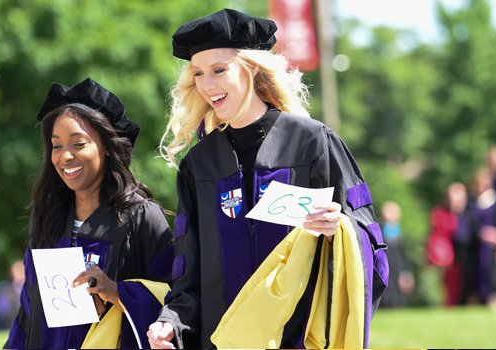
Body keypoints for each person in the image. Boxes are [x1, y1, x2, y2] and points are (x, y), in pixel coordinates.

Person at [148, 9, 388, 349]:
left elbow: (370, 242)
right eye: (198, 74)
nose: (208, 85)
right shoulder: (200, 166)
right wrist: (170, 321)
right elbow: (190, 273)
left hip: (302, 339)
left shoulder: (311, 144)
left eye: (219, 70)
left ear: (252, 68)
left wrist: (341, 229)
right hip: (226, 340)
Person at [5, 78, 175, 349]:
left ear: (106, 146)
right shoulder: (47, 214)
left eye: (78, 143)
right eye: (57, 145)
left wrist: (118, 293)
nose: (65, 156)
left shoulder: (140, 217)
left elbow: (176, 298)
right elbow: (29, 308)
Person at [455, 168, 496, 309]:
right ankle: (475, 299)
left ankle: (494, 297)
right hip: (475, 247)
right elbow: (467, 226)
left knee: (493, 273)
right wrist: (481, 233)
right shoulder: (471, 204)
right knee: (474, 275)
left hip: (494, 247)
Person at [427, 182, 468, 306]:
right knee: (448, 288)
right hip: (448, 258)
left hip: (466, 256)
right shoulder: (440, 214)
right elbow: (436, 237)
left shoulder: (469, 214)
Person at [378, 201, 414, 308]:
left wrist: (406, 273)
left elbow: (405, 257)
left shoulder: (401, 235)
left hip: (397, 276)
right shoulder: (378, 233)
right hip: (382, 275)